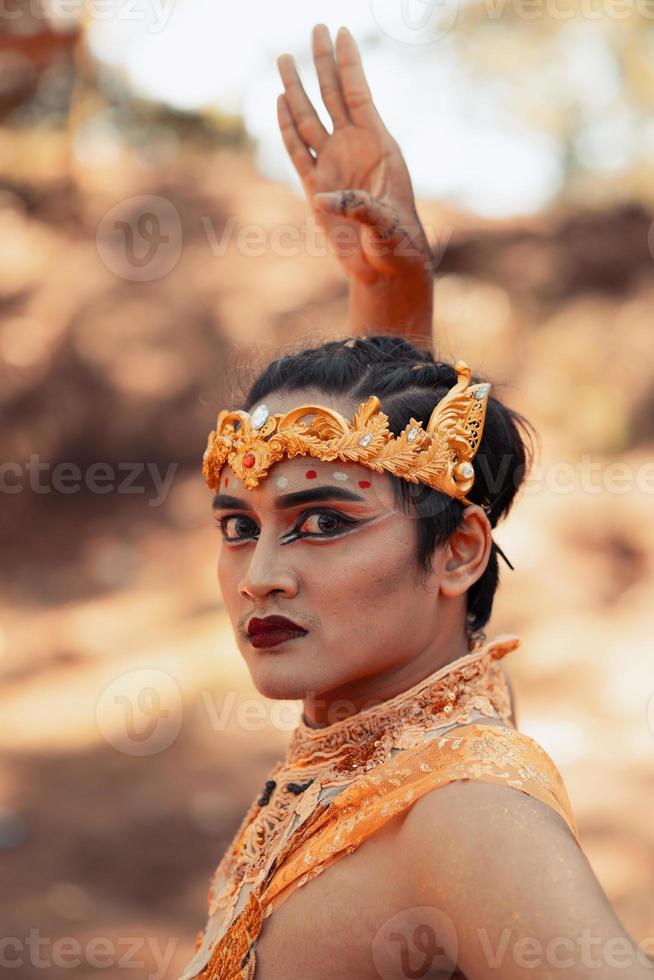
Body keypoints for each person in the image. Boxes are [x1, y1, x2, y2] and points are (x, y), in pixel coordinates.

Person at [178, 25, 653, 980]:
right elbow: (409, 480)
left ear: (462, 554)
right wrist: (392, 292)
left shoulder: (462, 812)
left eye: (320, 525)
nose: (260, 578)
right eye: (241, 527)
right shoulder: (375, 747)